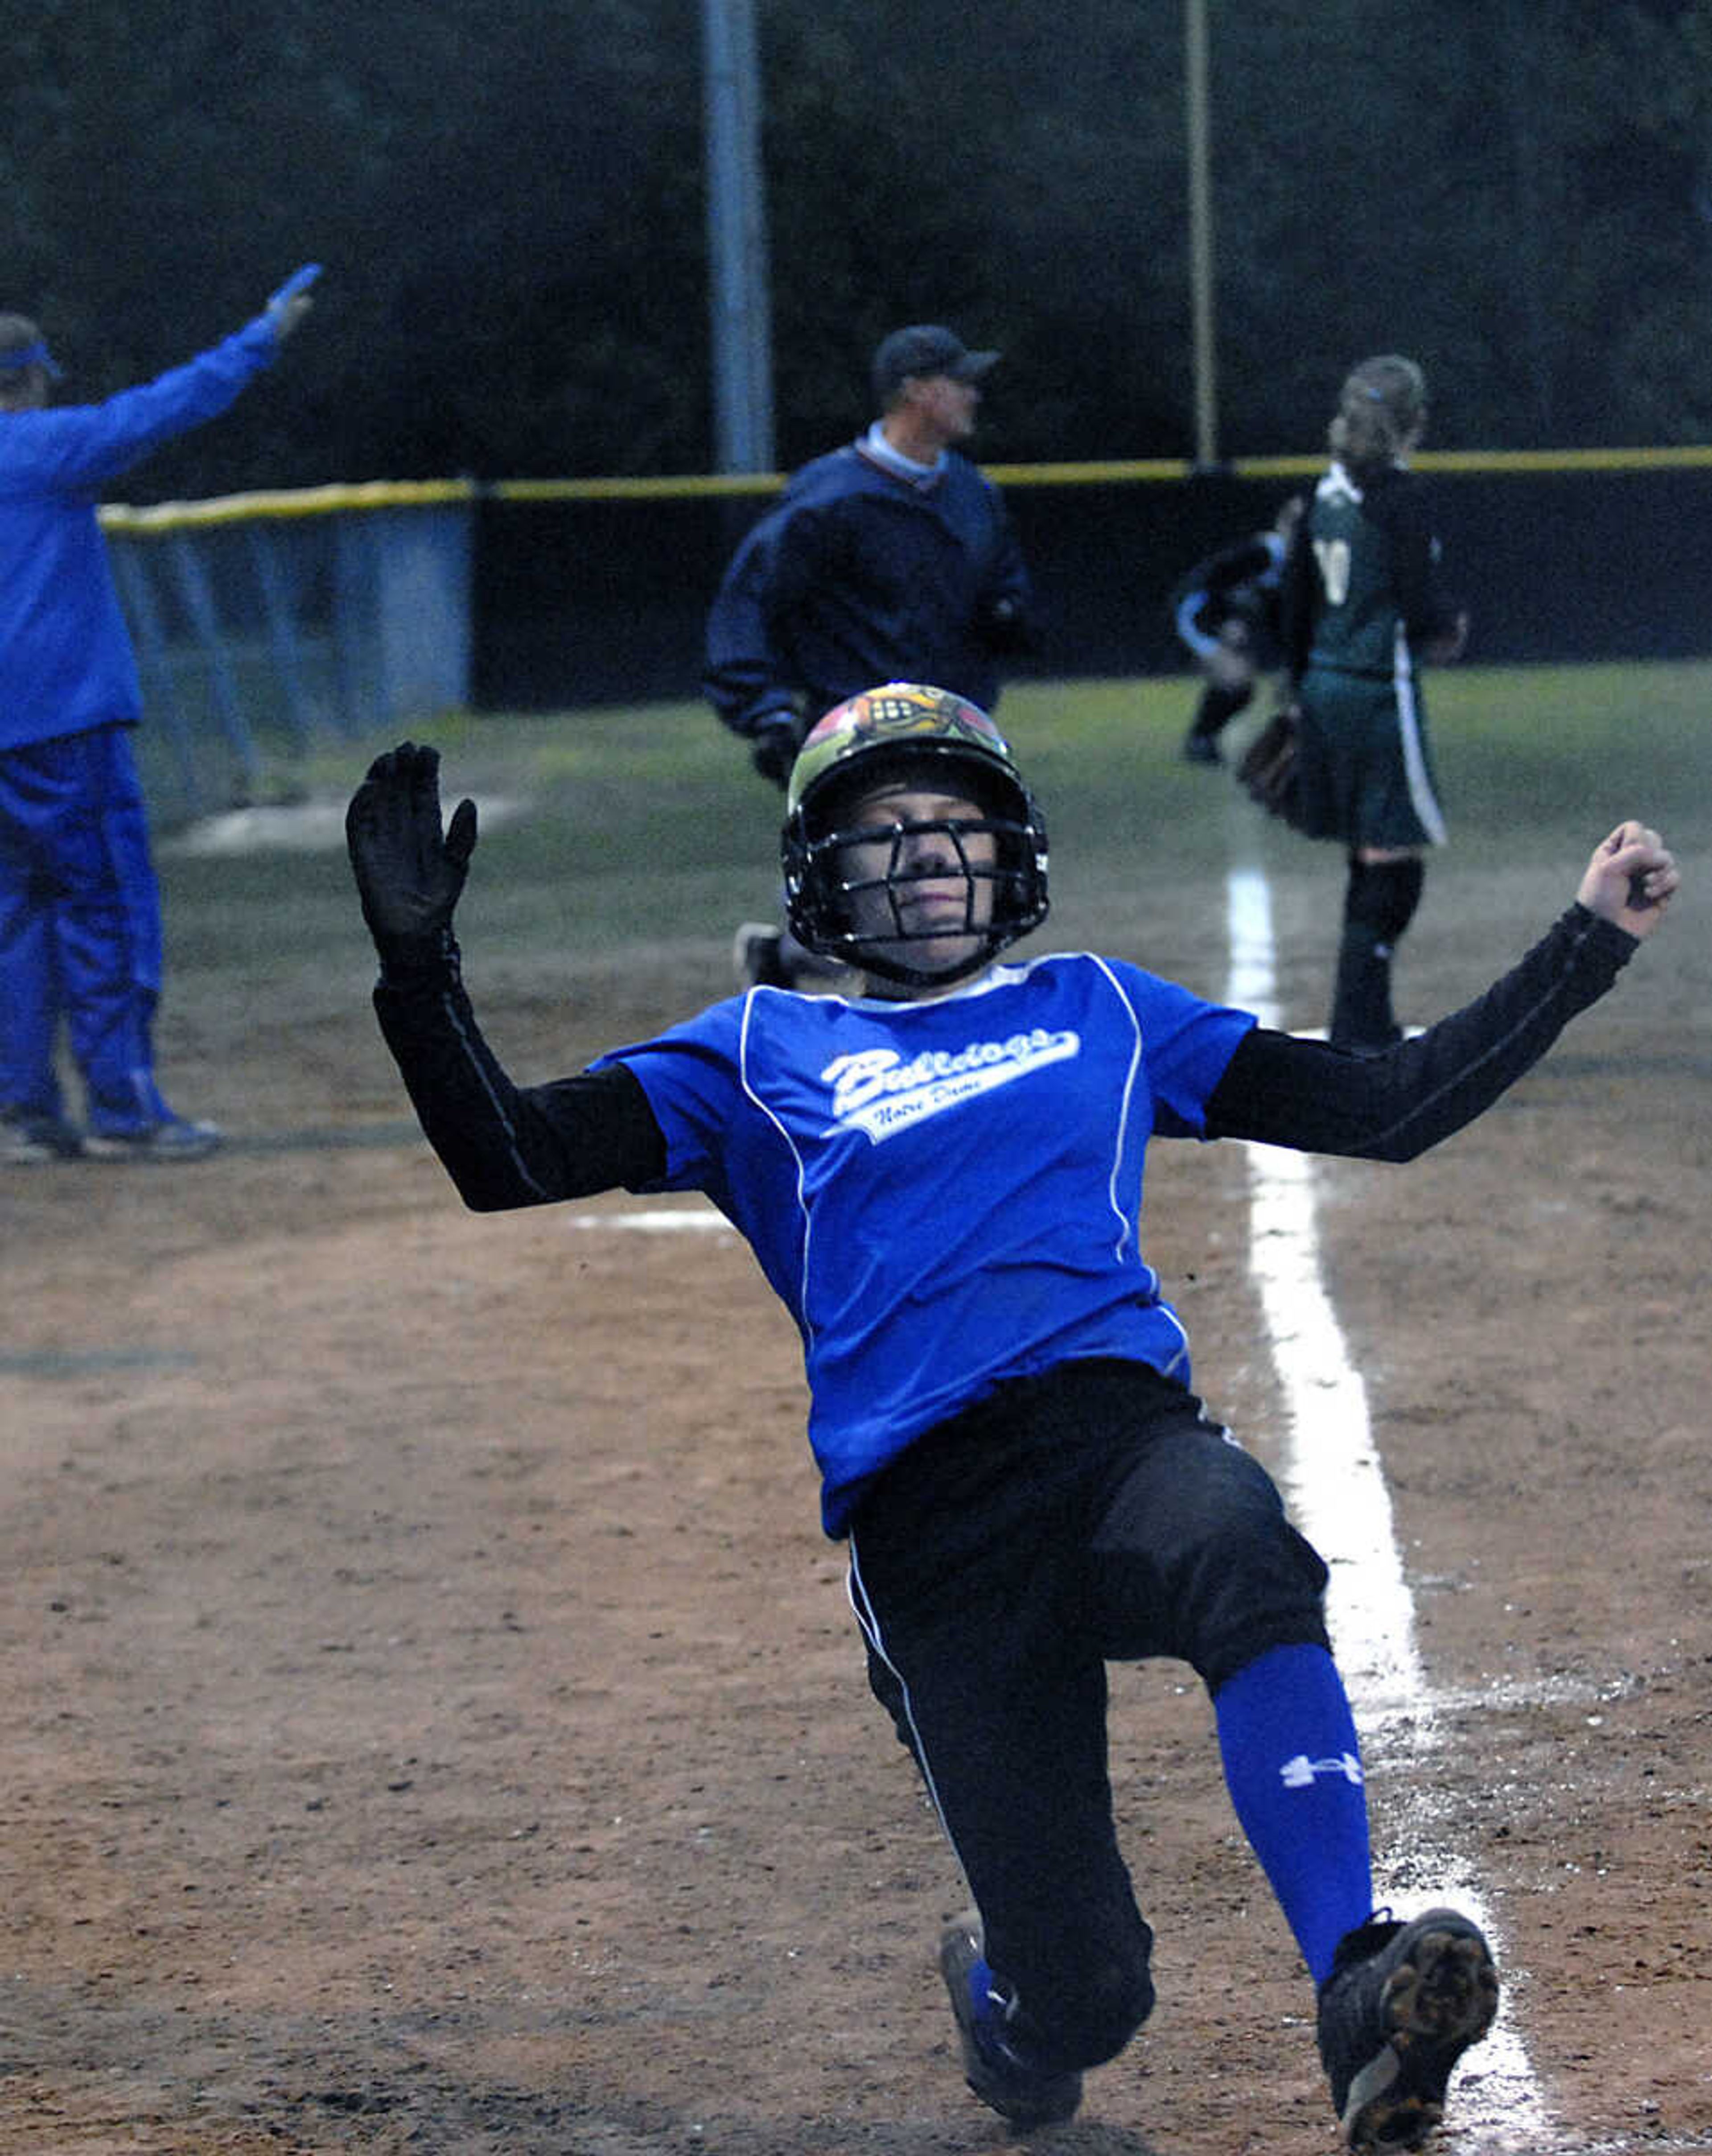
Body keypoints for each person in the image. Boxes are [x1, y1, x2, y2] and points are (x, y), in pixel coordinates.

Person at [345, 681, 1677, 2152]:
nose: (921, 854)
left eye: (952, 825)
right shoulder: (752, 1050)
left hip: (1119, 1441)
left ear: (1012, 853)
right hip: (934, 1525)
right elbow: (510, 1155)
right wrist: (420, 970)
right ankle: (1009, 2016)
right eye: (882, 834)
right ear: (821, 878)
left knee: (1239, 1541)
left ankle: (1357, 1987)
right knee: (1090, 1990)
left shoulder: (1101, 1008)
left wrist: (1586, 941)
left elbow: (1385, 1101)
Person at [0, 264, 320, 1165]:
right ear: (26, 379)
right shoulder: (43, 449)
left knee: (15, 923)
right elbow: (165, 406)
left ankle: (27, 1114)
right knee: (103, 910)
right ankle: (125, 1107)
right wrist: (259, 339)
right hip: (62, 731)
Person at [704, 323, 1036, 989]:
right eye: (959, 380)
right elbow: (749, 603)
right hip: (851, 729)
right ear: (916, 391)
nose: (973, 393)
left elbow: (1005, 581)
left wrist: (1009, 614)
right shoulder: (831, 496)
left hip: (949, 725)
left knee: (937, 892)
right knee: (887, 891)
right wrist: (764, 710)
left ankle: (788, 959)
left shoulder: (972, 492)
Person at [1276, 353, 1469, 1054]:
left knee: (1368, 853)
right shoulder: (1401, 498)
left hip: (1325, 686)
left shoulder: (1321, 493)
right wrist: (1448, 627)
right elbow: (1420, 609)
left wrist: (1294, 691)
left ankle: (1363, 1017)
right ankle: (1360, 1025)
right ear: (1413, 423)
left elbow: (1293, 601)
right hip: (1377, 691)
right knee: (1395, 863)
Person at [1170, 495, 1302, 764]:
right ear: (1283, 527)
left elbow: (1278, 617)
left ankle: (1203, 738)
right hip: (1197, 616)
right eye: (1296, 528)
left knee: (1243, 689)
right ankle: (1199, 739)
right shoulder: (1264, 552)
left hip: (1222, 622)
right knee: (1236, 679)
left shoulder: (1298, 566)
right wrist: (1223, 622)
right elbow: (1207, 582)